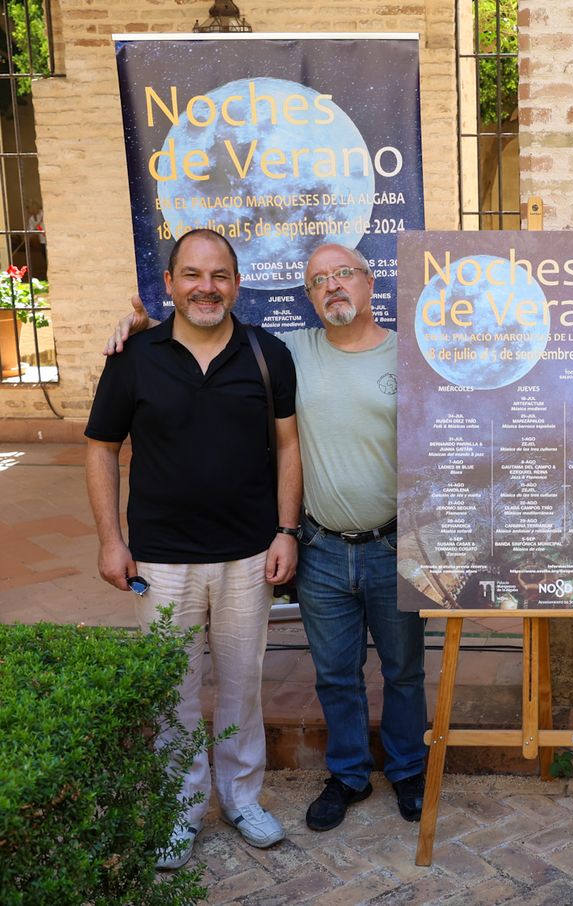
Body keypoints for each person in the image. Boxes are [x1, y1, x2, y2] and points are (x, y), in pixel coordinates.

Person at [106, 242, 430, 833]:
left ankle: (409, 770)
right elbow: (192, 348)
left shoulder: (409, 355)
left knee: (403, 668)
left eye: (345, 275)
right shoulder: (291, 350)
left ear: (371, 282)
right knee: (332, 672)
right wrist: (145, 331)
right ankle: (349, 774)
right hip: (321, 546)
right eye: (318, 281)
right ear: (307, 298)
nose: (333, 287)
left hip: (390, 544)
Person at [86, 228, 300, 869]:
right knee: (170, 692)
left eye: (219, 276)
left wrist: (287, 530)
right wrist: (109, 540)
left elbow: (289, 446)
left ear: (236, 284)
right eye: (192, 274)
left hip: (246, 557)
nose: (206, 287)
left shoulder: (268, 353)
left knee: (241, 687)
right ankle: (179, 811)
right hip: (160, 559)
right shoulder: (134, 357)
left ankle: (240, 800)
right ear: (171, 283)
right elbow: (100, 448)